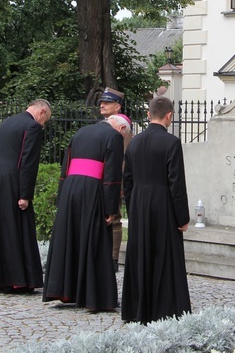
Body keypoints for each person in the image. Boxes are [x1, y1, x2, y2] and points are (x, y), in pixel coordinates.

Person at [42, 114, 130, 310]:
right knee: (94, 240)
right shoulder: (114, 137)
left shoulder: (81, 132)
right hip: (93, 190)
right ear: (122, 129)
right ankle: (94, 296)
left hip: (71, 189)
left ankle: (67, 290)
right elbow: (111, 175)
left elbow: (65, 166)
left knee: (71, 238)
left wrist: (62, 195)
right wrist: (111, 208)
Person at [121, 96, 191, 324]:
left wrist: (133, 208)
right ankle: (166, 308)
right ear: (169, 115)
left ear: (150, 114)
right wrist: (183, 217)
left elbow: (127, 180)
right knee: (164, 255)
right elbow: (176, 183)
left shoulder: (134, 142)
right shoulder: (171, 143)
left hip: (139, 203)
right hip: (163, 204)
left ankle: (137, 308)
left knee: (140, 253)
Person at [0, 99, 51, 294]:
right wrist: (25, 194)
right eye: (45, 120)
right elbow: (29, 162)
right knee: (17, 227)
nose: (43, 124)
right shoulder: (32, 126)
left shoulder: (6, 122)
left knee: (0, 228)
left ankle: (2, 280)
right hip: (13, 180)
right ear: (42, 112)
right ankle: (19, 281)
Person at [98, 87, 130, 273]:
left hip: (115, 177)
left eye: (107, 102)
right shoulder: (110, 124)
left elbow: (120, 157)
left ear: (117, 106)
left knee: (115, 218)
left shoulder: (120, 125)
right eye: (102, 102)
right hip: (106, 175)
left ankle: (113, 258)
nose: (102, 105)